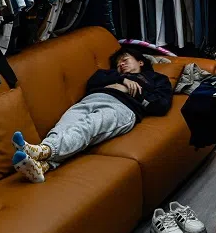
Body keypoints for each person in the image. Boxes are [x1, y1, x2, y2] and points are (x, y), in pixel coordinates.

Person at [11, 47, 173, 182]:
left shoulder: (155, 78)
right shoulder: (110, 75)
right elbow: (93, 81)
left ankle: (44, 150)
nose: (121, 64)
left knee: (87, 127)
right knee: (64, 126)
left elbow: (162, 105)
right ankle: (42, 167)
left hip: (122, 107)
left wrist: (136, 93)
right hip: (89, 101)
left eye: (125, 60)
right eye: (118, 64)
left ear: (140, 61)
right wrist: (121, 80)